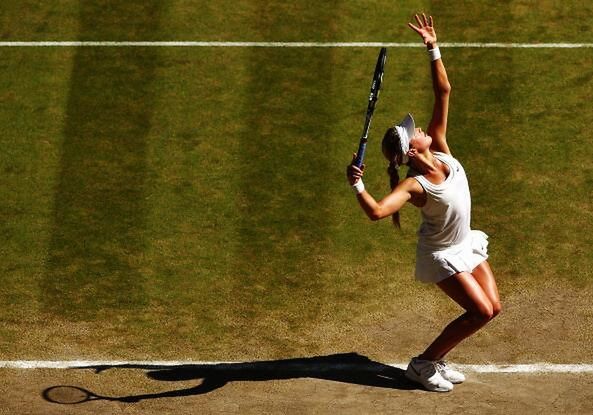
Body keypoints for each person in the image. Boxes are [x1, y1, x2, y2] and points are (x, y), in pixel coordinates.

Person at [346, 13, 501, 392]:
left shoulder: (441, 148)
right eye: (412, 131)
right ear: (411, 150)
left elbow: (444, 92)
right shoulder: (415, 186)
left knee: (492, 309)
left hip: (465, 243)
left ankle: (436, 359)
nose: (419, 129)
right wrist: (358, 186)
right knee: (479, 311)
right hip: (442, 255)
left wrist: (433, 48)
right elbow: (378, 213)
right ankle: (422, 364)